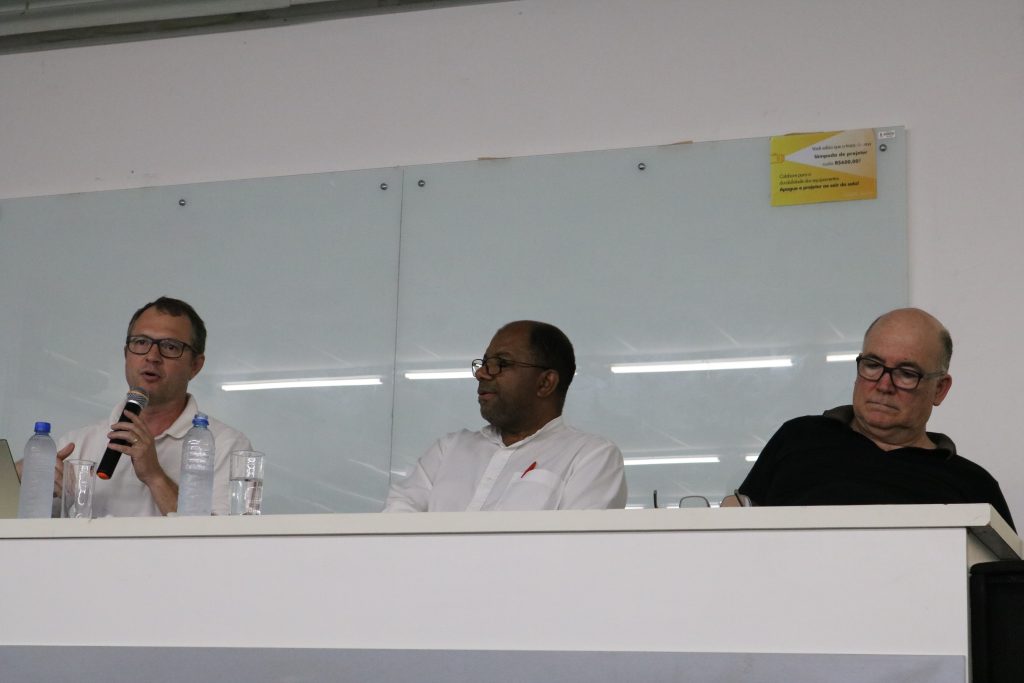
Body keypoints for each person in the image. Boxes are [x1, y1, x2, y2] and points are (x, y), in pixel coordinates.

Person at [723, 308, 1014, 530]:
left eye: (906, 373)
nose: (884, 385)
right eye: (873, 365)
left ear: (939, 389)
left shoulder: (974, 485)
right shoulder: (799, 438)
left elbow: (1004, 583)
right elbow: (732, 527)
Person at [385, 320, 627, 511]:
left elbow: (577, 546)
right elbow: (395, 525)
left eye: (500, 363)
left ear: (545, 383)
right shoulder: (448, 450)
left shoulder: (590, 456)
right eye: (484, 363)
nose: (482, 373)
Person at [51, 297, 251, 516]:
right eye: (141, 342)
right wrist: (30, 481)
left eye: (170, 347)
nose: (152, 356)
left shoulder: (226, 445)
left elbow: (222, 535)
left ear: (195, 365)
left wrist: (154, 475)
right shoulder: (78, 443)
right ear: (126, 354)